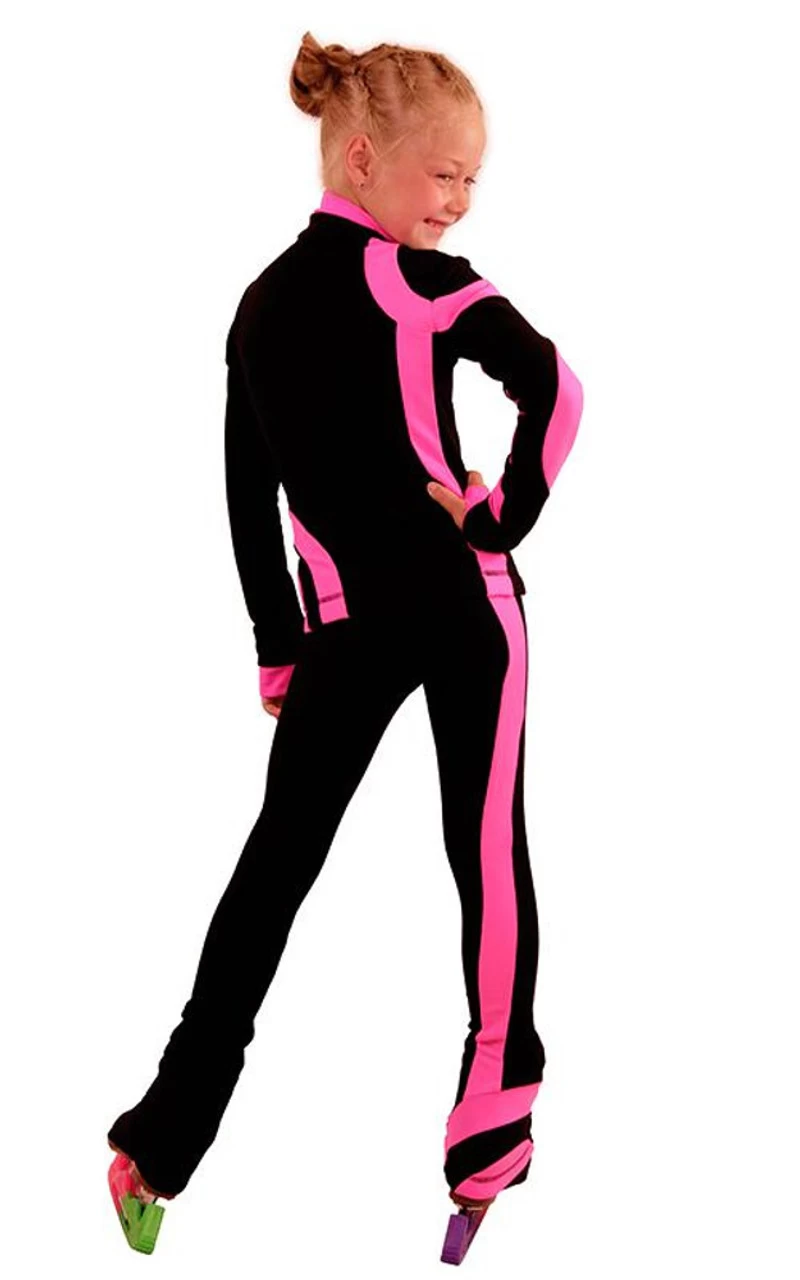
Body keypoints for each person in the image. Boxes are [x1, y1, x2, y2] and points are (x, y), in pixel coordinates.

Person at [106, 30, 583, 1213]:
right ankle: (493, 1116)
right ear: (363, 159)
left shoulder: (257, 308)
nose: (459, 202)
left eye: (472, 180)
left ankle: (164, 1134)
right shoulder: (417, 281)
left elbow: (244, 491)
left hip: (345, 626)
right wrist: (499, 518)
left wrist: (278, 644)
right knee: (485, 850)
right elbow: (558, 389)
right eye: (444, 175)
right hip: (465, 603)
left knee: (276, 862)